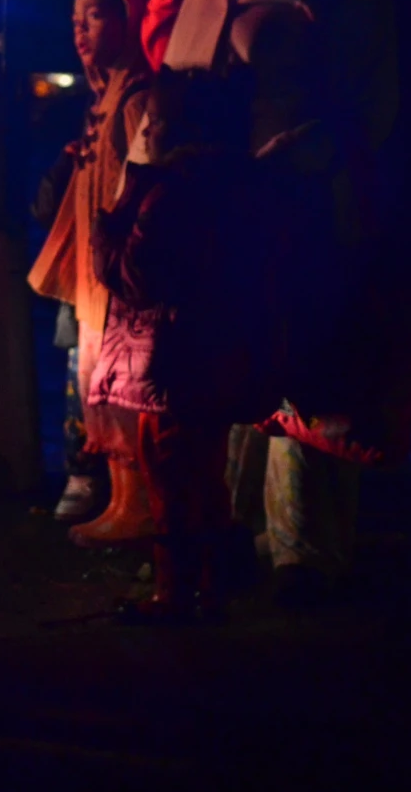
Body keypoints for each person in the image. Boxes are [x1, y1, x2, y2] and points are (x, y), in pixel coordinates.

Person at [144, 0, 398, 605]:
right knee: (249, 372)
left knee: (307, 377)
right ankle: (254, 545)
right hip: (238, 202)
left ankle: (303, 559)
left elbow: (372, 93)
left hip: (298, 199)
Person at [88, 71, 279, 622]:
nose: (143, 132)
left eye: (152, 121)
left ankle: (174, 593)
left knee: (169, 472)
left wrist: (113, 218)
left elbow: (134, 276)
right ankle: (213, 583)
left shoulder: (170, 193)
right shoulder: (237, 183)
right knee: (204, 473)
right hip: (215, 357)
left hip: (174, 362)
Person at [27, 0, 156, 543]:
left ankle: (132, 503)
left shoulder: (135, 99)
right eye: (76, 20)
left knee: (124, 388)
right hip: (87, 277)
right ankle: (104, 488)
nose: (81, 31)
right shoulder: (97, 101)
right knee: (92, 381)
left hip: (115, 278)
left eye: (97, 16)